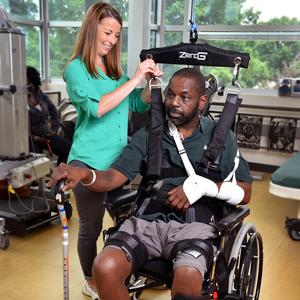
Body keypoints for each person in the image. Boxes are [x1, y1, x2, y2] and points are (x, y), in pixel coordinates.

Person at [50, 68, 253, 300]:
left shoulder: (221, 138)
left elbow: (245, 192)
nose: (174, 103)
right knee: (104, 267)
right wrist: (85, 174)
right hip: (147, 222)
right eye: (170, 95)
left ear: (201, 101)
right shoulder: (150, 135)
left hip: (194, 226)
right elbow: (114, 176)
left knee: (187, 284)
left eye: (184, 97)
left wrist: (204, 186)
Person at [62, 2, 162, 298]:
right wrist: (133, 80)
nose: (112, 40)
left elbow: (136, 104)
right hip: (88, 162)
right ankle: (92, 281)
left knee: (126, 223)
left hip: (118, 164)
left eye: (117, 35)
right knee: (90, 228)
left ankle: (118, 271)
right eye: (108, 32)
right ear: (92, 29)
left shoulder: (113, 69)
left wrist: (149, 84)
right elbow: (98, 108)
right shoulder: (76, 69)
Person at [27, 66, 72, 165]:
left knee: (69, 149)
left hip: (46, 134)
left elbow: (53, 111)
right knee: (37, 163)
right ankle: (38, 180)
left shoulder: (38, 93)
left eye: (28, 81)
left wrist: (54, 128)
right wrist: (36, 138)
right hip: (31, 138)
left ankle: (60, 176)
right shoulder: (18, 99)